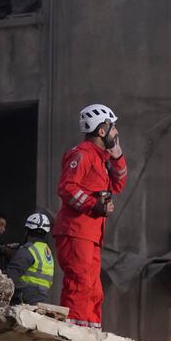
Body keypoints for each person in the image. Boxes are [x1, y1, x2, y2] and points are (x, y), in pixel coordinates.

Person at [53, 103, 127, 328]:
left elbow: (119, 184)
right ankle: (75, 334)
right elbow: (66, 188)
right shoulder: (82, 154)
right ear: (101, 131)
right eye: (113, 128)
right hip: (76, 231)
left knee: (94, 288)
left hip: (91, 234)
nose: (116, 133)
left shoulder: (101, 160)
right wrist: (94, 204)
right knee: (80, 284)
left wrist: (117, 156)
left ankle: (91, 333)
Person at [6, 212, 55, 305]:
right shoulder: (47, 251)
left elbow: (11, 275)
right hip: (41, 296)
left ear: (27, 231)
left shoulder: (28, 249)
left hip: (24, 296)